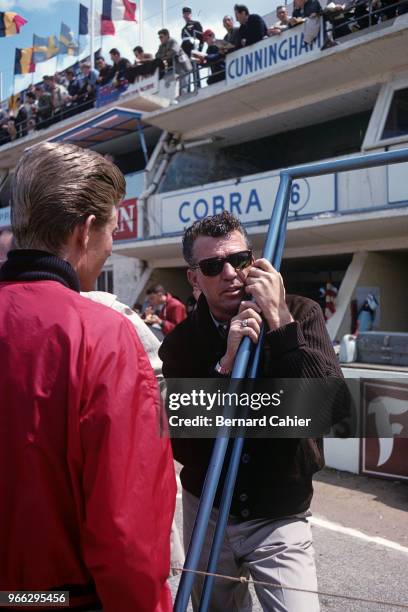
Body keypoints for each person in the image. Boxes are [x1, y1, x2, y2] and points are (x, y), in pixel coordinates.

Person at [0, 142, 176, 612]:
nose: (111, 245)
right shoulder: (103, 335)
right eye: (112, 231)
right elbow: (127, 532)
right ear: (86, 230)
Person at [159, 211, 346, 611]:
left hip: (279, 509)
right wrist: (224, 367)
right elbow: (185, 441)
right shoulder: (180, 344)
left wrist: (281, 326)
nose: (230, 274)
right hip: (207, 509)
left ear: (254, 261)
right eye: (213, 266)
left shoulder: (302, 312)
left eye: (240, 260)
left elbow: (329, 410)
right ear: (194, 278)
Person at [155, 29, 192, 93]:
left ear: (167, 36)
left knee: (183, 89)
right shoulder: (161, 46)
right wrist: (166, 55)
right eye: (159, 37)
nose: (160, 39)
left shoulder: (173, 41)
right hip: (173, 68)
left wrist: (163, 56)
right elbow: (157, 56)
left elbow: (173, 52)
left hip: (182, 66)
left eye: (161, 37)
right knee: (168, 84)